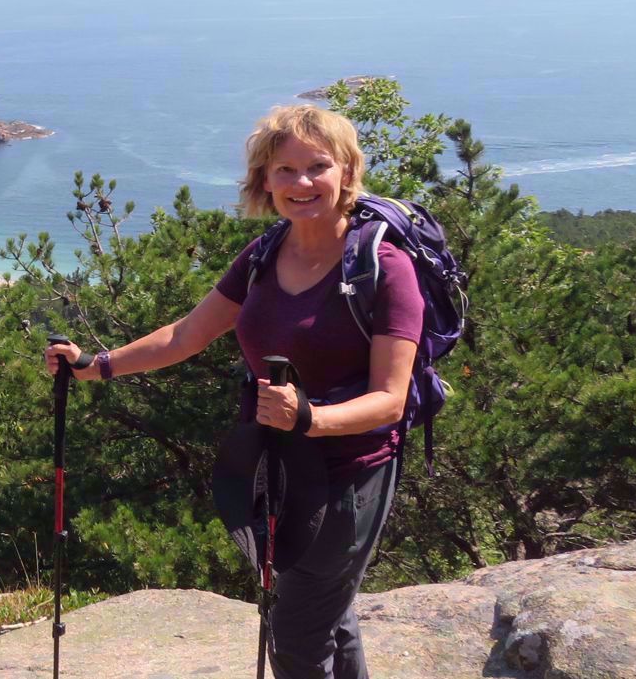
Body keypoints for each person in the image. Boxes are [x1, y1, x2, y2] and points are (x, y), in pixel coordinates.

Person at [43, 104, 422, 679]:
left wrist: (309, 417)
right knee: (324, 613)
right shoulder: (265, 256)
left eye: (318, 166)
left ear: (347, 172)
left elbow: (391, 399)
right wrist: (96, 366)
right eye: (284, 170)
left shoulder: (383, 268)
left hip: (351, 473)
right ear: (264, 182)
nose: (301, 183)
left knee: (296, 634)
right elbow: (184, 335)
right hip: (281, 468)